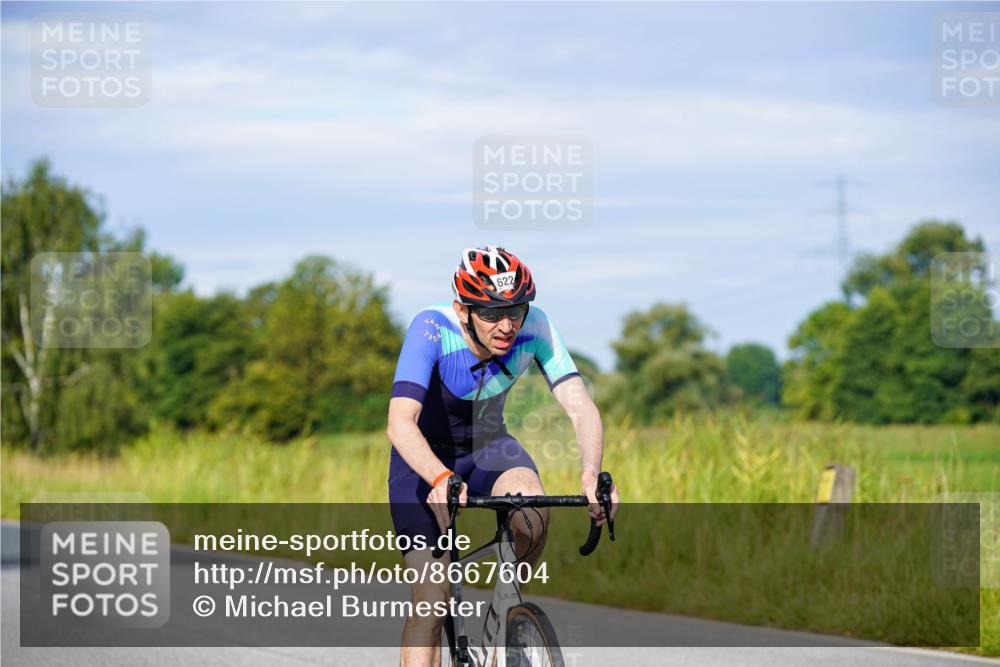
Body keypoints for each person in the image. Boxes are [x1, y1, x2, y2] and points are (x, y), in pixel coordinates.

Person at [386, 245, 619, 667]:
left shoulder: (537, 325)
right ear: (463, 310)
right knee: (432, 599)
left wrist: (591, 474)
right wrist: (438, 477)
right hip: (422, 460)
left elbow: (581, 407)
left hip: (488, 447)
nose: (507, 325)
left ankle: (505, 632)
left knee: (532, 509)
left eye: (515, 310)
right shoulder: (431, 329)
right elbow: (401, 421)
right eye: (492, 313)